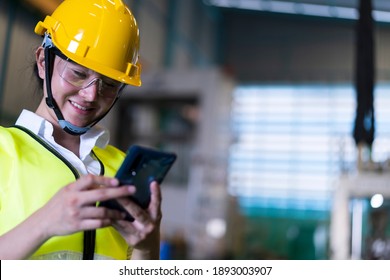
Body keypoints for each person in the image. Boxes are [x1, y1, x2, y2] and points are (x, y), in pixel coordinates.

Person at [0, 0, 162, 260]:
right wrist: (44, 223)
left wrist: (146, 245)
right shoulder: (3, 151)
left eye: (109, 84)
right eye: (78, 73)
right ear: (44, 61)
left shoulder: (122, 168)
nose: (90, 95)